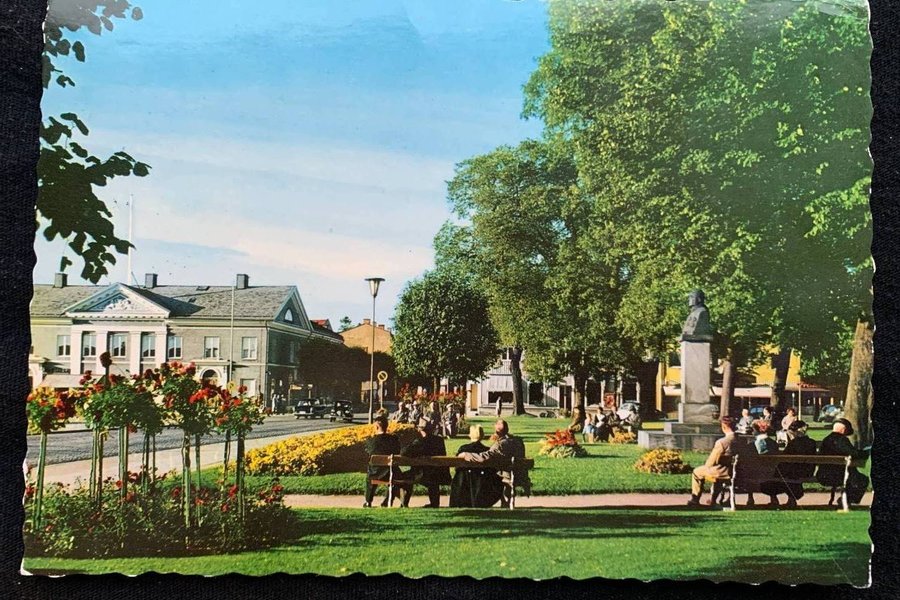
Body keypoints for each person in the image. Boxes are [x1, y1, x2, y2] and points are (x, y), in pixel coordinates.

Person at [458, 419, 531, 508]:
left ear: (497, 432)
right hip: (521, 475)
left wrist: (466, 455)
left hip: (507, 475)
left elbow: (483, 457)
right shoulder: (518, 442)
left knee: (489, 474)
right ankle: (505, 502)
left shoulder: (500, 445)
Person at [762, 420, 817, 508]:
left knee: (777, 473)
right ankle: (791, 499)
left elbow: (784, 456)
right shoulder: (812, 442)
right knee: (786, 473)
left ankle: (774, 498)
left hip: (794, 471)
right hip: (807, 470)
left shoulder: (794, 442)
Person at [816, 418, 869, 506]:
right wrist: (866, 452)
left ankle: (846, 499)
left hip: (823, 474)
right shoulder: (842, 440)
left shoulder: (826, 440)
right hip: (839, 475)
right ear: (844, 430)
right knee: (862, 479)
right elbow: (854, 453)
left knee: (854, 476)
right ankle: (847, 499)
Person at [399, 417, 451, 507]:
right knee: (433, 478)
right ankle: (434, 503)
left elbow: (404, 452)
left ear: (420, 429)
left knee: (404, 477)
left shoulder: (420, 441)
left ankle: (404, 503)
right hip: (439, 473)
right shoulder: (439, 441)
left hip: (421, 473)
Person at [687, 416, 737, 506]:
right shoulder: (742, 440)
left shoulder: (722, 442)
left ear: (723, 427)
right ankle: (713, 499)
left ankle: (695, 499)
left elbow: (710, 462)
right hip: (737, 471)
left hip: (722, 472)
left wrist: (707, 464)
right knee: (717, 472)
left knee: (697, 472)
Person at [449, 425, 503, 508]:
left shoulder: (463, 449)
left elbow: (457, 467)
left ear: (470, 435)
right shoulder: (487, 450)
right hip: (483, 482)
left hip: (464, 481)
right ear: (482, 435)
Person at [363, 416, 402, 508]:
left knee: (369, 478)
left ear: (376, 427)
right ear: (386, 426)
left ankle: (368, 501)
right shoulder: (394, 439)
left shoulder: (370, 441)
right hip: (391, 472)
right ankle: (387, 501)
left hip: (375, 473)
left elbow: (368, 454)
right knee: (395, 477)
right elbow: (397, 452)